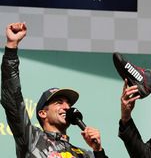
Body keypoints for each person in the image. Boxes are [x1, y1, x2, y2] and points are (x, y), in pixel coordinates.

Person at [1, 22, 108, 158]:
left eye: (69, 104)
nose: (67, 107)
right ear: (42, 113)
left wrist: (98, 150)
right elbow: (12, 98)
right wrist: (11, 47)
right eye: (59, 102)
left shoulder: (85, 154)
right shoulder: (32, 139)